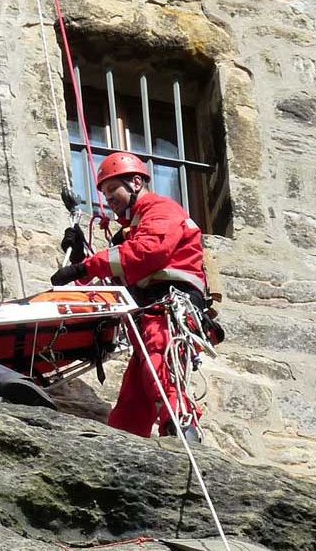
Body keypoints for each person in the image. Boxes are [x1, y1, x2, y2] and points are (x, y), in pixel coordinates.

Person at [50, 152, 208, 443]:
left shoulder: (161, 210)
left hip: (167, 307)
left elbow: (147, 253)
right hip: (148, 312)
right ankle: (123, 444)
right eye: (104, 193)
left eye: (113, 190)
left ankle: (180, 428)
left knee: (160, 366)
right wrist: (82, 261)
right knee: (135, 394)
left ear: (136, 182)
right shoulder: (132, 230)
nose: (108, 199)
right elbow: (118, 273)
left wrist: (84, 266)